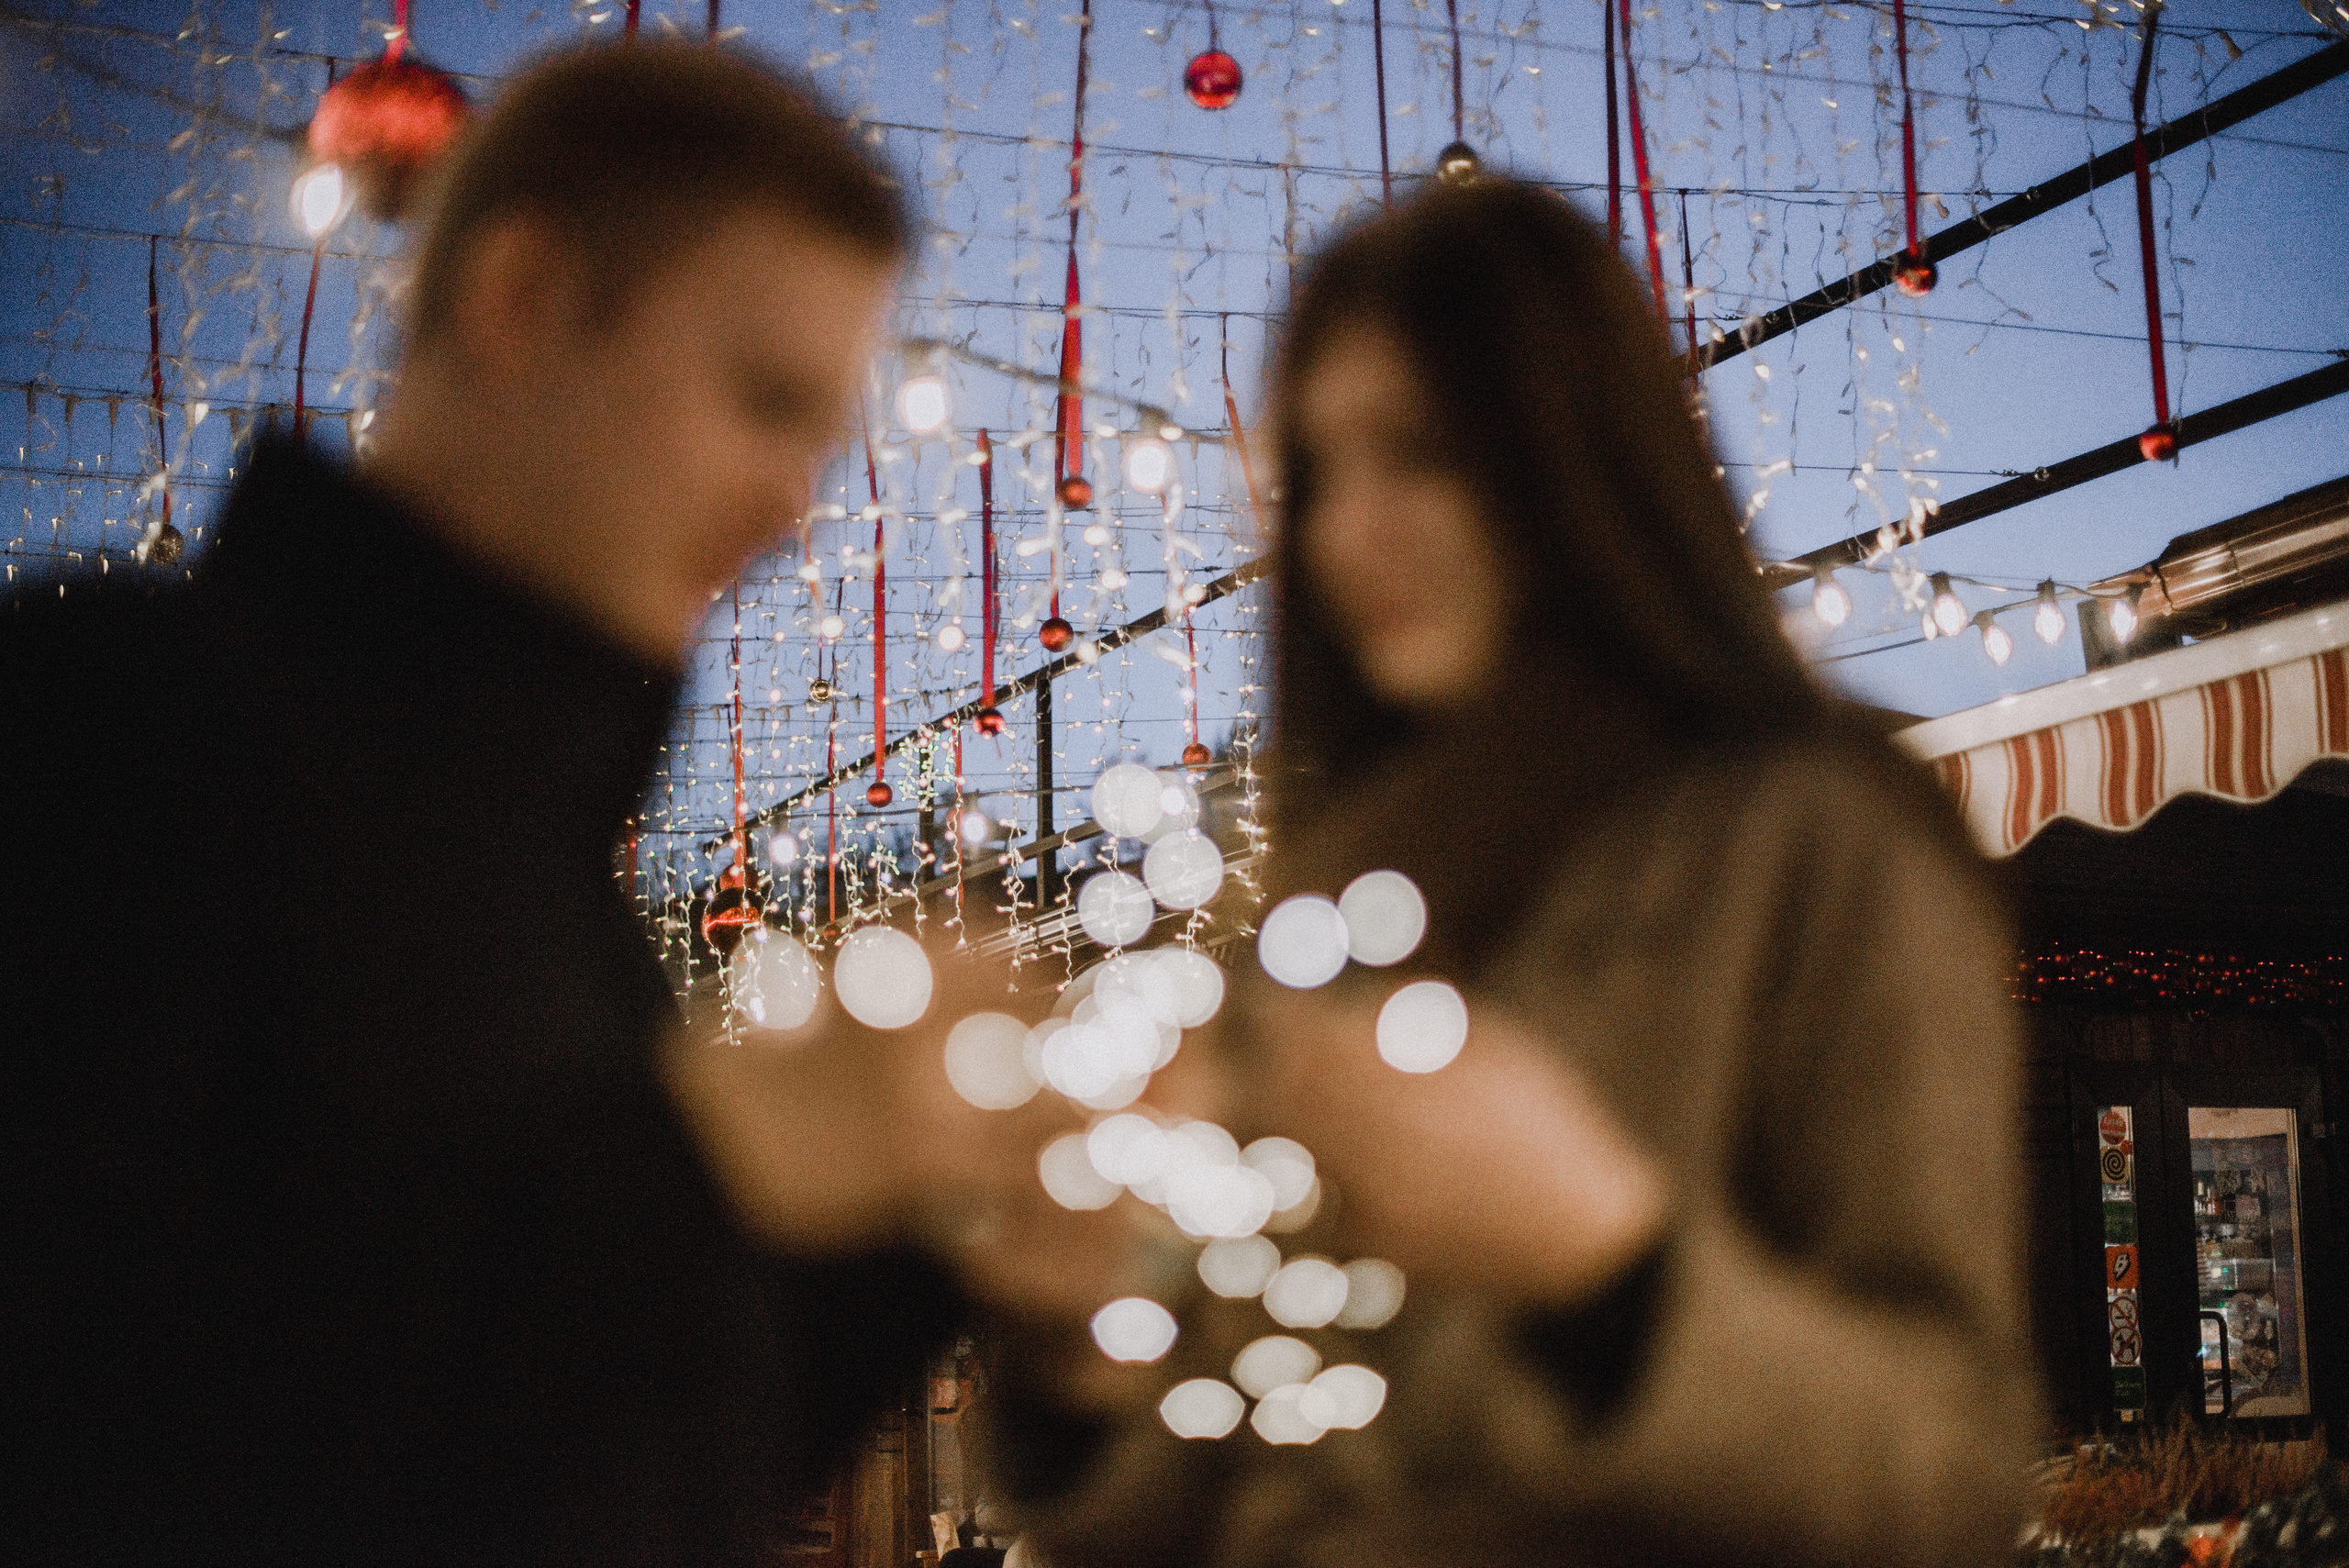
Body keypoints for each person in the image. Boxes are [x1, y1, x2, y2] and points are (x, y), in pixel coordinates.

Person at [5, 39, 1096, 1564]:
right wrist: (712, 1174)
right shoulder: (94, 722)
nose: (794, 501)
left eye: (822, 436)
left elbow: (628, 1467)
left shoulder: (562, 901)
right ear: (519, 296)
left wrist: (927, 1246)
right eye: (763, 396)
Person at [980, 178, 2041, 1568]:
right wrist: (1084, 1348)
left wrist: (1611, 1272)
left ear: (1570, 450)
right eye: (1318, 474)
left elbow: (1952, 1467)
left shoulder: (1813, 840)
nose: (1351, 529)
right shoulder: (1317, 898)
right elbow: (1221, 1476)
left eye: (1416, 452)